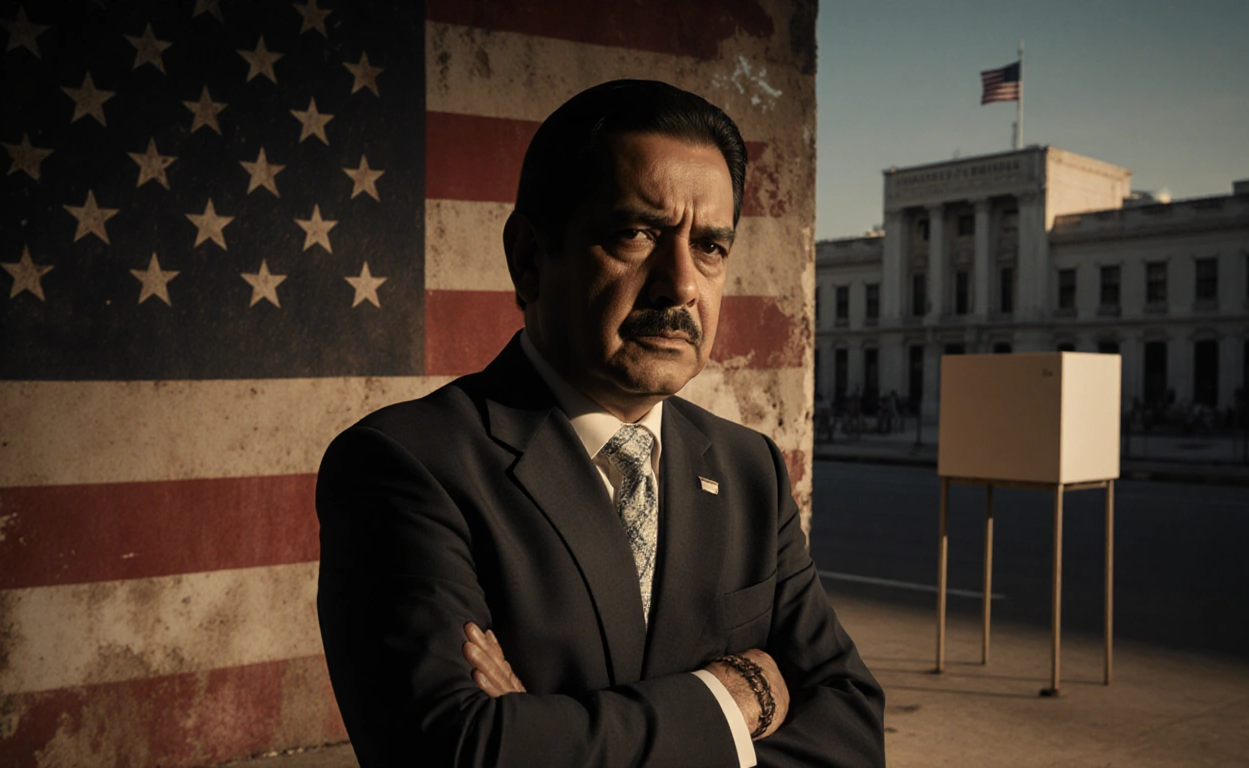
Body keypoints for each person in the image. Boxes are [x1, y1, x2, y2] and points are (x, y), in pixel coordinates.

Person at [316, 79, 885, 767]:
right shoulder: (408, 464)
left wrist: (546, 730)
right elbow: (458, 749)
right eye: (637, 233)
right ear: (529, 256)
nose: (681, 286)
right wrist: (733, 699)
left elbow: (852, 726)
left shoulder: (748, 470)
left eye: (709, 247)